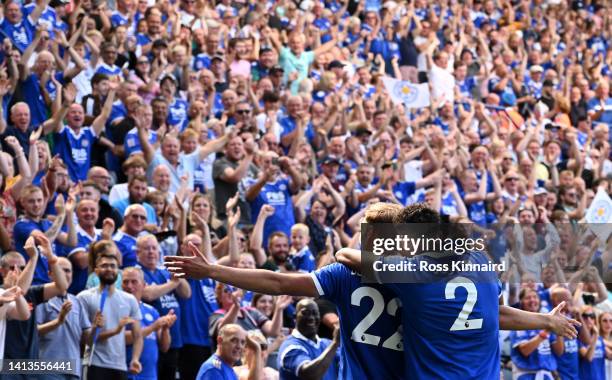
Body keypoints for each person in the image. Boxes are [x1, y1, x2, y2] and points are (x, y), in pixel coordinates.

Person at [165, 202, 580, 380]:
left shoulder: (359, 274)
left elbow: (277, 283)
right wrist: (545, 318)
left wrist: (213, 270)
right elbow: (496, 313)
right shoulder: (441, 270)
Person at [77, 250, 143, 380]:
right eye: (104, 265)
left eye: (113, 266)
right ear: (96, 271)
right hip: (92, 363)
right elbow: (84, 341)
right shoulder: (84, 298)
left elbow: (138, 335)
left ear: (118, 271)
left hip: (119, 366)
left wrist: (135, 359)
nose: (109, 269)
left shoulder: (129, 300)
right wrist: (100, 328)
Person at [36, 257, 93, 380]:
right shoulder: (40, 299)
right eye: (60, 270)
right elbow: (33, 331)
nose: (65, 274)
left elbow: (87, 338)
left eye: (68, 271)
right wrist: (57, 322)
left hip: (73, 370)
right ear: (50, 274)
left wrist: (97, 328)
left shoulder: (77, 301)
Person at [122, 266, 177, 380]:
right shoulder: (118, 308)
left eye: (134, 282)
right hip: (127, 374)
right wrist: (153, 327)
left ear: (144, 285)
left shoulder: (151, 311)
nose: (129, 286)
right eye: (125, 282)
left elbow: (165, 347)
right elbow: (122, 338)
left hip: (150, 375)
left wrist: (166, 328)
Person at [277, 299, 339, 380]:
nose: (311, 318)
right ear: (295, 317)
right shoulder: (290, 347)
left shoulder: (327, 343)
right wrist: (335, 343)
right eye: (305, 313)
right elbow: (310, 375)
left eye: (315, 313)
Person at [196, 323, 262, 380]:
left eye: (242, 342)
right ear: (220, 341)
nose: (239, 346)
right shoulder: (214, 369)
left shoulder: (226, 368)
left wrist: (257, 349)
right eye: (234, 340)